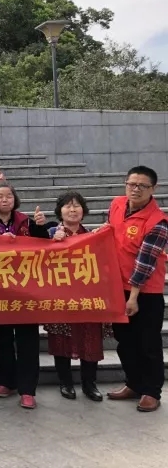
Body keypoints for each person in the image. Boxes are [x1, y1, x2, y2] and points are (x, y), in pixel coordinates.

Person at [106, 166, 168, 412]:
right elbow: (110, 231)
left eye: (142, 186)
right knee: (125, 341)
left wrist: (133, 298)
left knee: (148, 344)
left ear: (153, 189)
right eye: (132, 184)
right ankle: (134, 383)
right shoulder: (117, 204)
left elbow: (145, 263)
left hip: (145, 293)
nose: (136, 189)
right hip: (118, 286)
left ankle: (151, 391)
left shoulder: (158, 222)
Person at [0, 182, 48, 409]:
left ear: (15, 200)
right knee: (3, 339)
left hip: (26, 289)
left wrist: (41, 227)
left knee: (27, 341)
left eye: (9, 196)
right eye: (0, 196)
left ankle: (27, 389)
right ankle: (8, 381)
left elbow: (45, 246)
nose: (4, 200)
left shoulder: (28, 222)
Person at [43, 191, 105, 403]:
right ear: (59, 211)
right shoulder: (50, 233)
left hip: (88, 298)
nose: (72, 210)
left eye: (76, 205)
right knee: (61, 339)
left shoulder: (92, 236)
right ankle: (66, 383)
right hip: (60, 298)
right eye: (67, 206)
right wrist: (52, 242)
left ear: (83, 210)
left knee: (90, 339)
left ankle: (90, 384)